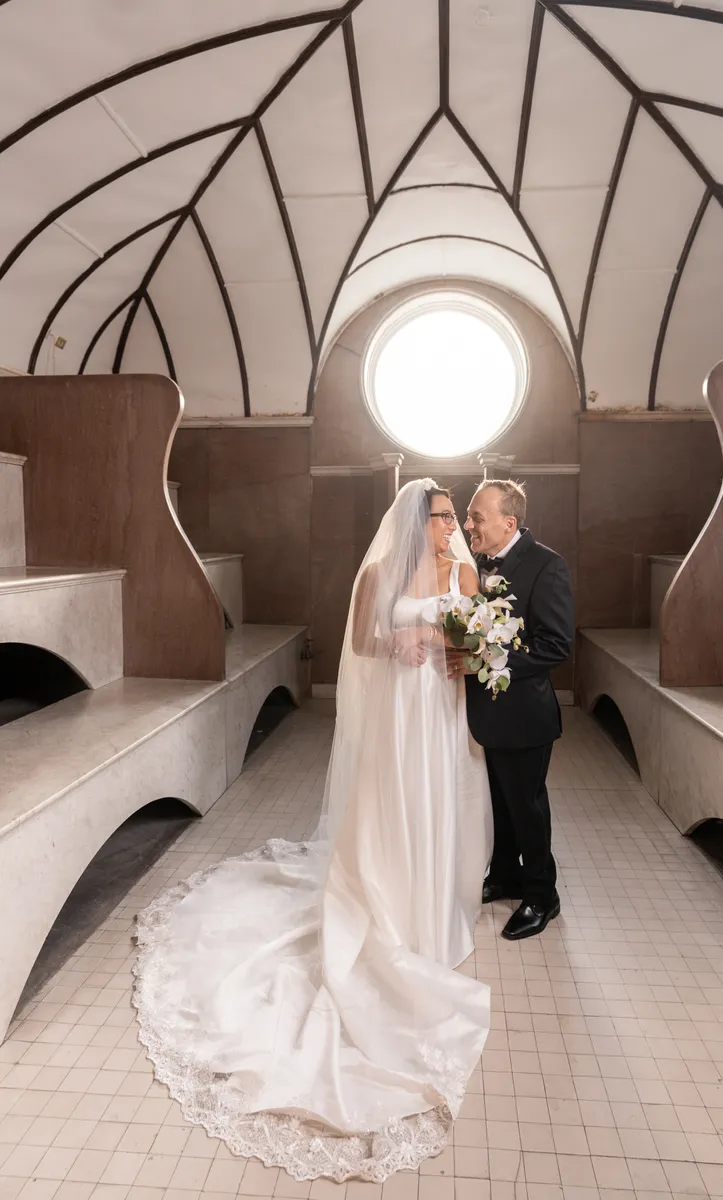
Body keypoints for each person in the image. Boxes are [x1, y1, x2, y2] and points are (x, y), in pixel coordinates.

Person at [133, 479, 493, 1183]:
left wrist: (460, 648)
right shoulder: (379, 572)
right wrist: (408, 639)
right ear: (420, 522)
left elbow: (474, 642)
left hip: (443, 714)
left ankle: (439, 903)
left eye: (458, 519)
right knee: (395, 807)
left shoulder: (464, 571)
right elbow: (363, 642)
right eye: (447, 518)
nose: (456, 529)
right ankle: (389, 902)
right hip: (400, 712)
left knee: (443, 804)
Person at [453, 479, 573, 942]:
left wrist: (482, 660)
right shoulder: (476, 564)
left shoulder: (548, 566)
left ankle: (542, 894)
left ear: (510, 521)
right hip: (483, 714)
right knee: (497, 803)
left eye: (476, 517)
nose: (468, 525)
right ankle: (504, 874)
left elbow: (554, 646)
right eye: (467, 517)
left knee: (526, 807)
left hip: (525, 715)